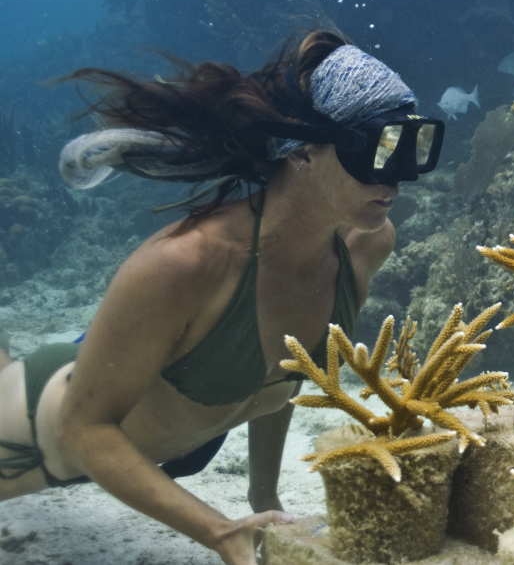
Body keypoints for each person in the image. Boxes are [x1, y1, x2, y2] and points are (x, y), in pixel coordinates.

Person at [0, 31, 444, 565]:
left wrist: (264, 497)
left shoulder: (365, 245)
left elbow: (284, 372)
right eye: (378, 148)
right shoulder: (186, 263)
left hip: (147, 399)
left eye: (410, 148)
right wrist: (217, 530)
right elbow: (80, 429)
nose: (399, 177)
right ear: (302, 151)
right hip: (32, 439)